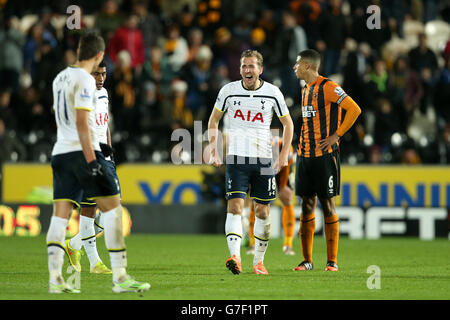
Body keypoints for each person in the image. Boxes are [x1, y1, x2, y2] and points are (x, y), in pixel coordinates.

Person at [47, 32, 150, 293]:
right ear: (99, 55)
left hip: (61, 153)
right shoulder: (84, 80)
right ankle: (120, 278)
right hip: (84, 153)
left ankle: (56, 280)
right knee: (114, 211)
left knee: (60, 217)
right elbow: (83, 122)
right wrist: (92, 159)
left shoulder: (61, 78)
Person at [208, 49, 294, 275]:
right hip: (236, 159)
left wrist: (284, 153)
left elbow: (289, 125)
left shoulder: (273, 92)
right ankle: (235, 257)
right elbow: (213, 120)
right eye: (244, 66)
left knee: (262, 211)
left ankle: (258, 261)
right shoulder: (228, 91)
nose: (247, 70)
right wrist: (214, 149)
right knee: (235, 207)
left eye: (251, 66)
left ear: (260, 69)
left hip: (264, 159)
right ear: (240, 69)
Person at [292, 49, 361, 272]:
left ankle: (332, 262)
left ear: (308, 66)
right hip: (304, 156)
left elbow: (354, 109)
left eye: (297, 64)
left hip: (325, 157)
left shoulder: (329, 87)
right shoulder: (305, 90)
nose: (294, 67)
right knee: (306, 205)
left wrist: (336, 135)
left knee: (328, 205)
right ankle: (307, 261)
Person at [65, 61, 117, 275]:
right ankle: (95, 262)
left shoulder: (104, 94)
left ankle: (74, 245)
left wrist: (110, 151)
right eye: (96, 74)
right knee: (90, 208)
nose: (101, 79)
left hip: (104, 156)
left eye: (103, 74)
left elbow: (104, 125)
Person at [246, 137, 296, 256]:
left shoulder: (284, 147)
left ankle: (288, 244)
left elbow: (287, 165)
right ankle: (253, 243)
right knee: (255, 201)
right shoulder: (255, 151)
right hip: (262, 170)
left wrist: (283, 186)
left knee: (287, 197)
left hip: (283, 168)